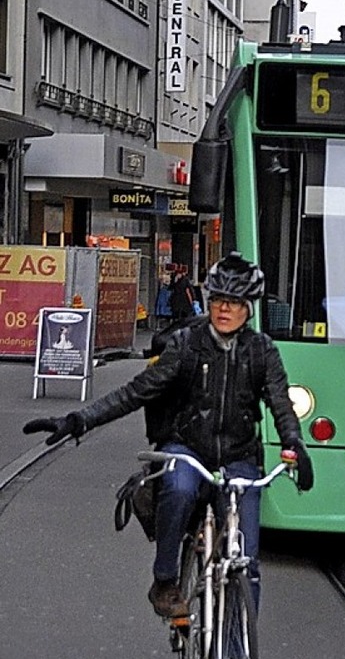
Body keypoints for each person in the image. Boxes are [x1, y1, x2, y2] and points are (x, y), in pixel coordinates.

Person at [23, 252, 314, 618]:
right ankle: (165, 578)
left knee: (247, 564)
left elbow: (280, 403)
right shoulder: (186, 344)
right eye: (218, 301)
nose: (224, 310)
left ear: (248, 309)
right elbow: (136, 392)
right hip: (187, 447)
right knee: (178, 487)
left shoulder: (261, 351)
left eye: (234, 303)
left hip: (239, 456)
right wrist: (80, 419)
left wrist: (294, 442)